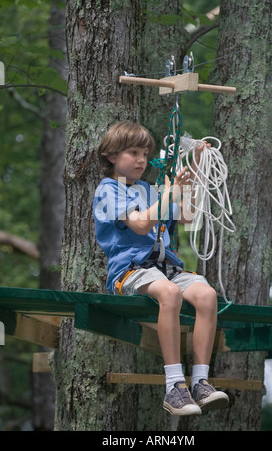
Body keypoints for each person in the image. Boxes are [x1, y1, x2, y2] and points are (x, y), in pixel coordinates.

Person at [94, 121, 229, 416]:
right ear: (112, 156)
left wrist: (192, 169)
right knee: (169, 293)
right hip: (132, 270)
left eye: (145, 153)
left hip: (165, 267)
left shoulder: (149, 190)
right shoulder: (108, 190)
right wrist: (169, 195)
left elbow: (188, 216)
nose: (142, 160)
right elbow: (142, 225)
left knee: (206, 296)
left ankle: (201, 381)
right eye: (133, 152)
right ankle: (174, 385)